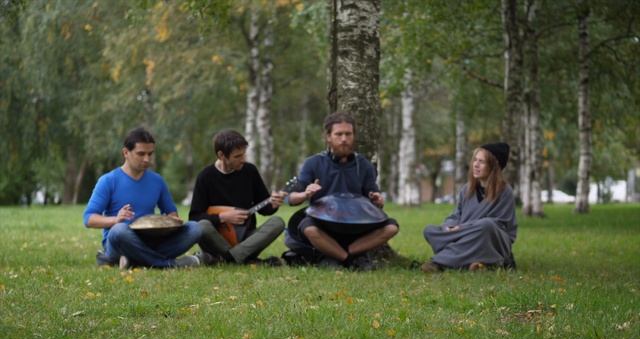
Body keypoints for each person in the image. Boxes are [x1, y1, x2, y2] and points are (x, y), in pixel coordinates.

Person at [286, 112, 399, 270]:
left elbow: (376, 200)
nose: (344, 139)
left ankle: (346, 255)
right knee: (309, 228)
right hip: (324, 225)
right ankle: (347, 259)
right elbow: (290, 199)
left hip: (356, 226)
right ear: (328, 137)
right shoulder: (313, 163)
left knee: (391, 227)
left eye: (348, 134)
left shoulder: (364, 165)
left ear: (354, 136)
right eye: (338, 134)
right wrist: (305, 194)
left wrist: (377, 199)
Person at [83, 127, 207, 270]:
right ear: (125, 153)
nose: (147, 159)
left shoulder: (157, 181)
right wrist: (115, 220)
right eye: (141, 154)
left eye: (150, 154)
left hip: (152, 240)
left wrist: (173, 220)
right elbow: (89, 219)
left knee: (195, 228)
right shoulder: (108, 180)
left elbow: (171, 212)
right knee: (119, 230)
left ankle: (132, 260)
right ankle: (170, 264)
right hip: (122, 241)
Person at [188, 130, 286, 265]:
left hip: (246, 238)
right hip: (218, 240)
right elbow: (194, 218)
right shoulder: (206, 176)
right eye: (237, 156)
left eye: (244, 154)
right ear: (221, 155)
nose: (243, 159)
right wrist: (223, 217)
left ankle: (229, 259)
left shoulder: (250, 171)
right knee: (202, 226)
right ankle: (243, 259)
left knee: (277, 222)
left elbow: (265, 209)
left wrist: (274, 204)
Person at [421, 142, 517, 272]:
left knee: (486, 225)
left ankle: (439, 262)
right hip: (465, 235)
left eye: (481, 162)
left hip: (490, 239)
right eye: (475, 160)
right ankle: (481, 263)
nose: (476, 165)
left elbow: (499, 224)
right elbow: (456, 215)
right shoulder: (466, 189)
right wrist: (449, 226)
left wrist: (463, 227)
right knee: (429, 230)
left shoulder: (505, 191)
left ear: (494, 166)